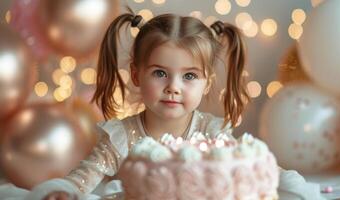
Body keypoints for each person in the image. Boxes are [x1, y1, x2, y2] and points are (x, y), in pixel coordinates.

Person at [24, 10, 324, 200]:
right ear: (136, 75)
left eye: (189, 76)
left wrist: (313, 194)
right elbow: (81, 180)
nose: (173, 87)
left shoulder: (211, 133)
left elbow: (263, 171)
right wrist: (64, 193)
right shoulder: (119, 138)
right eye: (160, 73)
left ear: (207, 83)